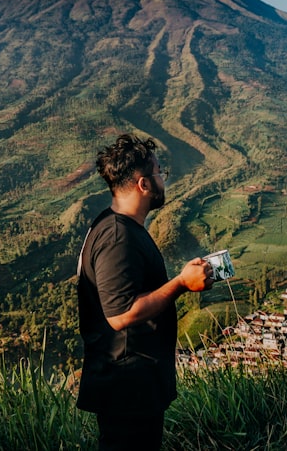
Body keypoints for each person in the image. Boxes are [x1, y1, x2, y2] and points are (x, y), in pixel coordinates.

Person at [76, 133, 213, 450]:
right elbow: (121, 314)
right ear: (144, 185)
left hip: (133, 383)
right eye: (159, 172)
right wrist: (181, 283)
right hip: (127, 386)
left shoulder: (117, 226)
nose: (163, 179)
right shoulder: (116, 236)